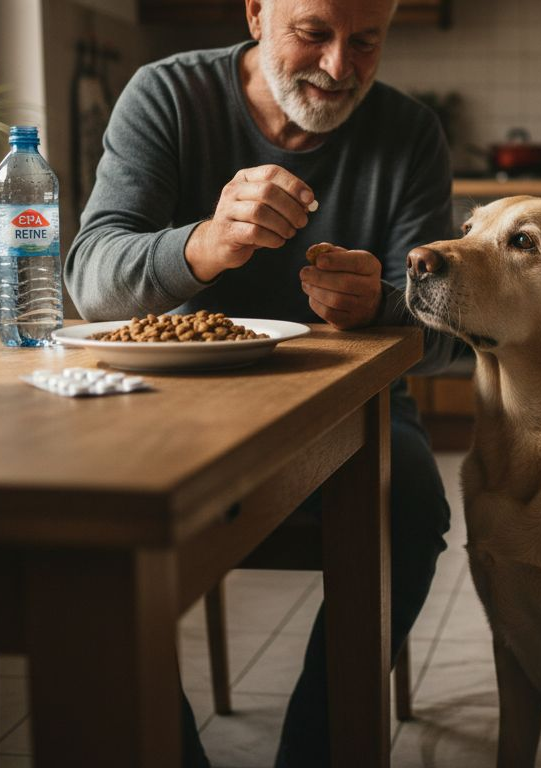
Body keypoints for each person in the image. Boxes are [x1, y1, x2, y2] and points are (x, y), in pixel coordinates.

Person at [63, 0, 466, 764]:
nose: (339, 67)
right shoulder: (167, 95)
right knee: (96, 522)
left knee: (410, 505)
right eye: (313, 33)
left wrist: (381, 305)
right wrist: (204, 245)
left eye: (367, 41)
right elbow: (91, 279)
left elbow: (454, 341)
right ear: (256, 13)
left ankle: (313, 754)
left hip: (357, 409)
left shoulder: (411, 134)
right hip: (174, 405)